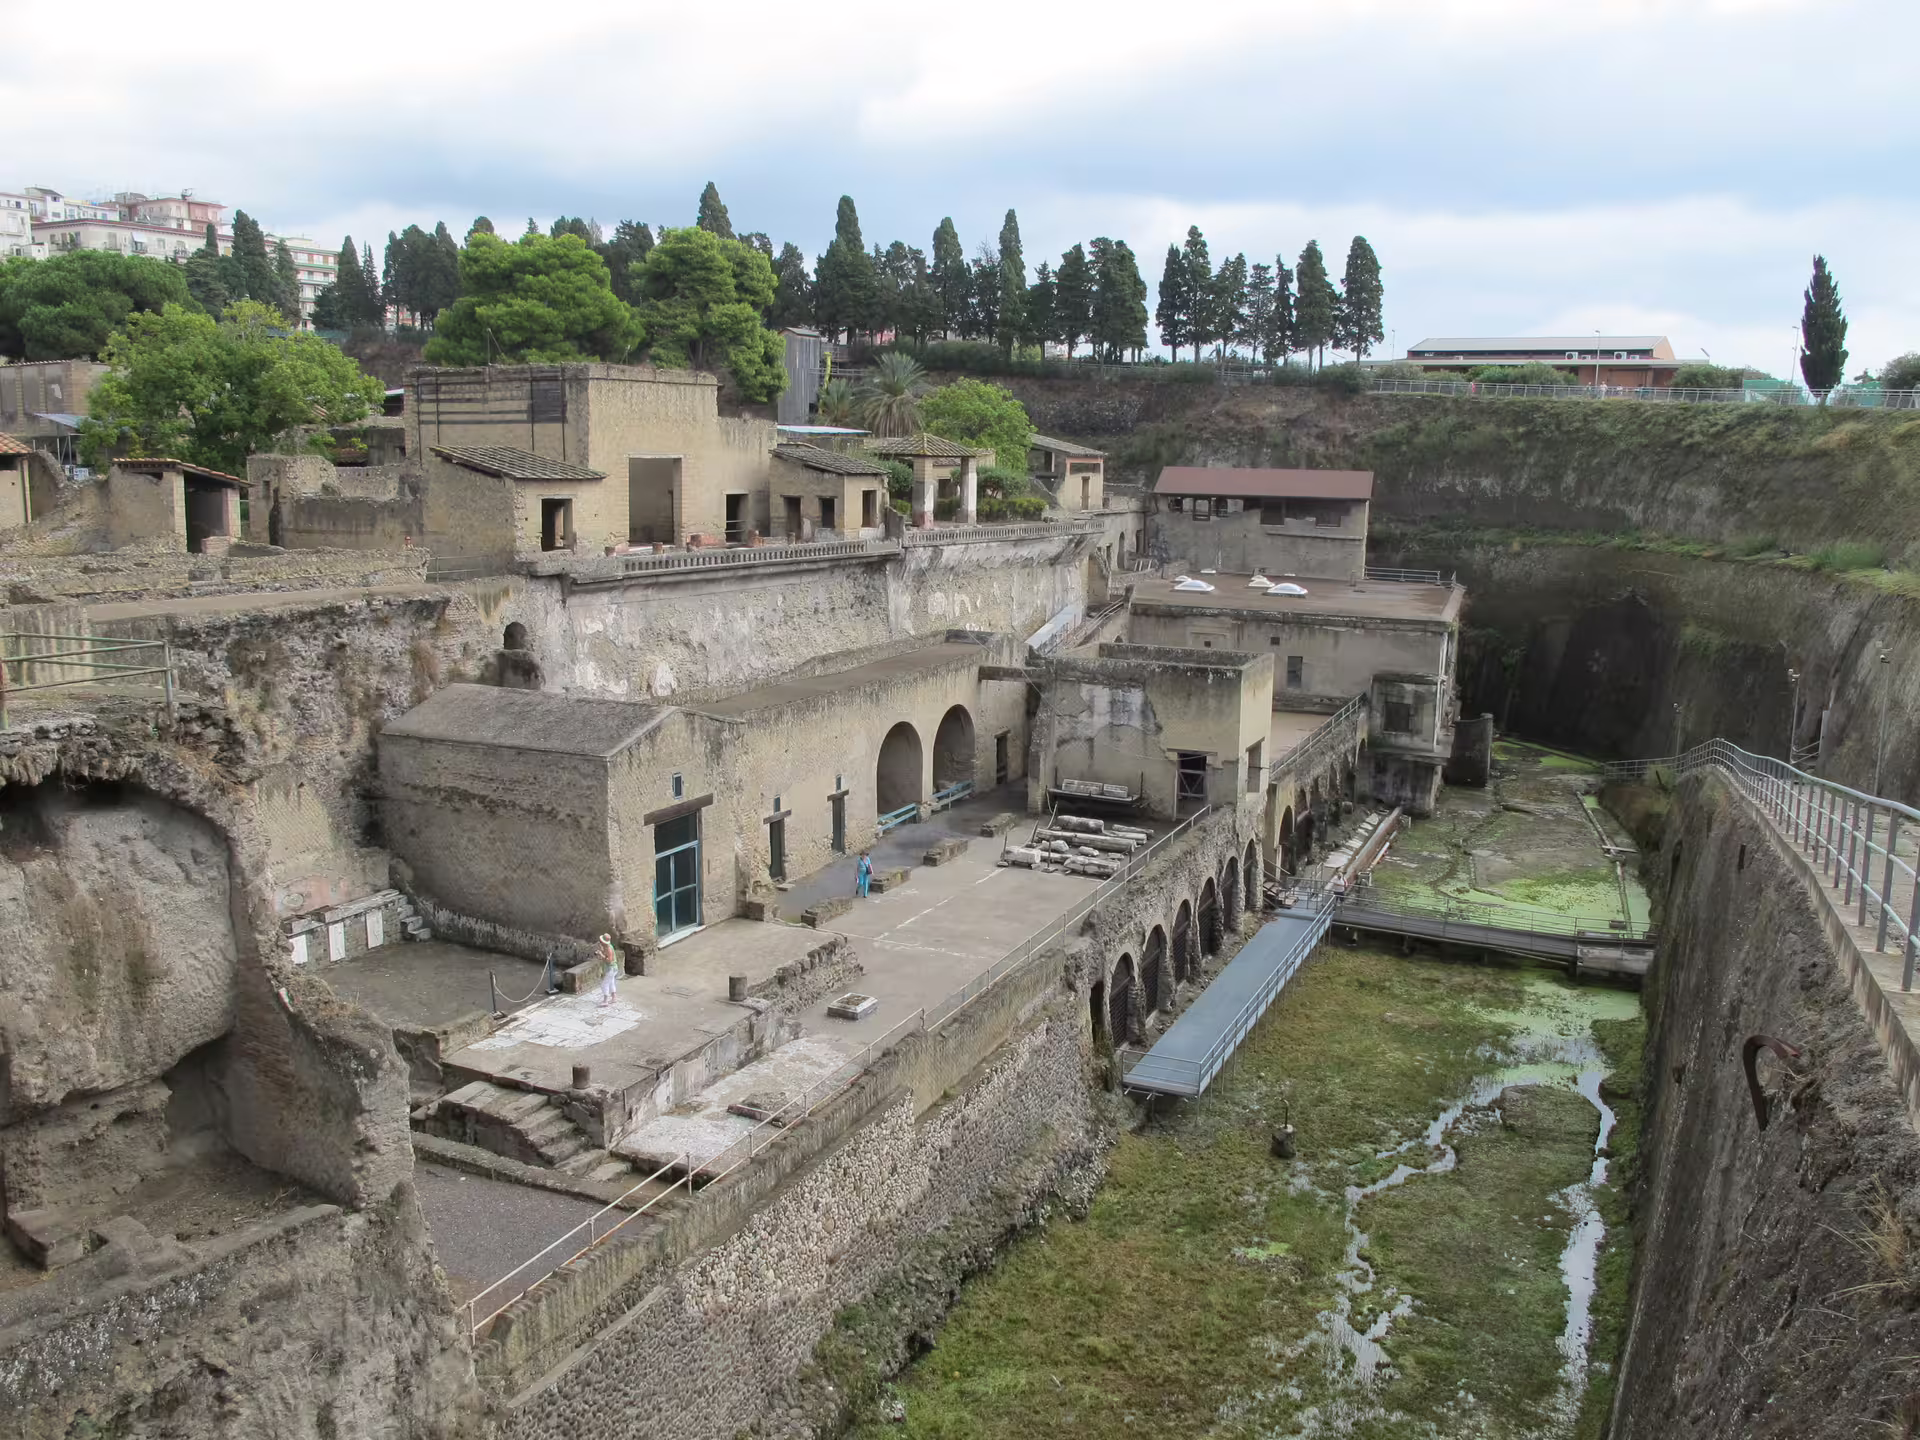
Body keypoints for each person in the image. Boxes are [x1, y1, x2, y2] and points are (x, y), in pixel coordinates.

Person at [595, 934, 620, 1009]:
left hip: (611, 968)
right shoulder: (606, 947)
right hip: (612, 968)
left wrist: (601, 955)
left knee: (604, 984)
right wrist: (600, 950)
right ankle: (614, 997)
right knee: (611, 982)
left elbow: (609, 960)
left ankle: (605, 1001)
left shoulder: (609, 949)